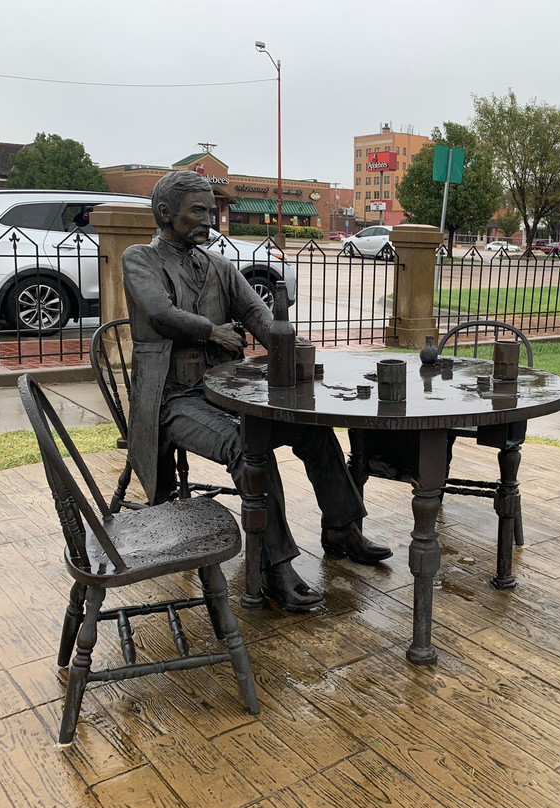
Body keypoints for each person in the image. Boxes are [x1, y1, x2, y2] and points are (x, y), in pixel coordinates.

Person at [122, 170, 391, 612]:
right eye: (197, 211)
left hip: (226, 394)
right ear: (165, 213)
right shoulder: (140, 260)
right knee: (251, 450)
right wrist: (212, 332)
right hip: (173, 400)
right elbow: (160, 313)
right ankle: (274, 568)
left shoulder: (219, 267)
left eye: (211, 210)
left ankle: (342, 529)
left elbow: (258, 316)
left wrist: (289, 344)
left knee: (314, 429)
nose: (208, 219)